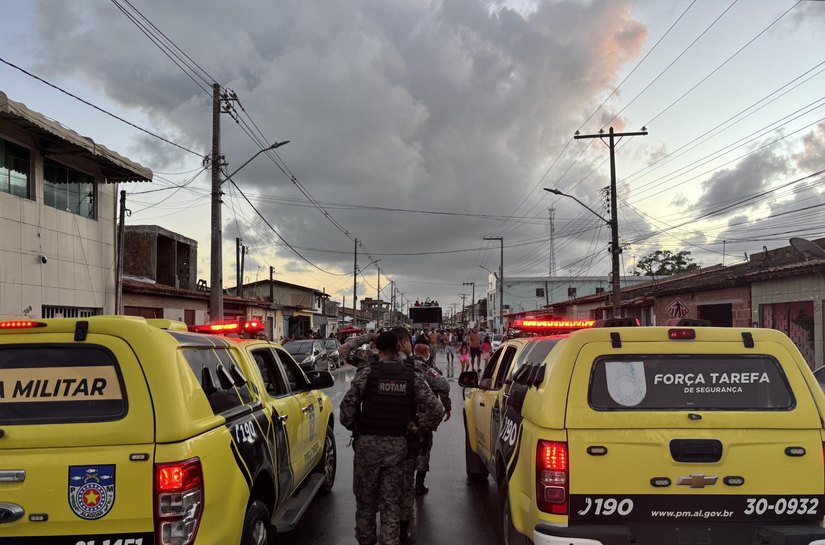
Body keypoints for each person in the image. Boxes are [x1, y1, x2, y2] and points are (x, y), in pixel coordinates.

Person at [340, 331, 444, 545]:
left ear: (378, 349)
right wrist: (418, 429)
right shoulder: (411, 375)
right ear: (398, 347)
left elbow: (346, 410)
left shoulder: (367, 372)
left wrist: (357, 428)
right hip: (398, 451)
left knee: (366, 505)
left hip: (367, 450)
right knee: (391, 507)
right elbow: (436, 409)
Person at [410, 337, 450, 496]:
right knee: (423, 449)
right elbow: (443, 387)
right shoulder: (427, 369)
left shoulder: (403, 365)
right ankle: (419, 484)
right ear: (427, 351)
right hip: (423, 418)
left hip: (403, 417)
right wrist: (447, 407)